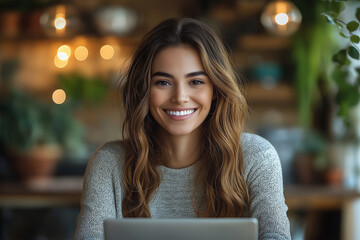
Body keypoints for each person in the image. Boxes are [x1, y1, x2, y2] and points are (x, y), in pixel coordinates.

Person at [74, 18, 291, 240]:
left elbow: (276, 235)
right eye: (163, 82)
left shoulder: (257, 157)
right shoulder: (109, 163)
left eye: (196, 82)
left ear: (215, 89)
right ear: (144, 89)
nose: (180, 97)